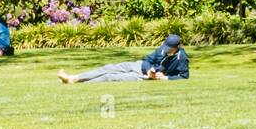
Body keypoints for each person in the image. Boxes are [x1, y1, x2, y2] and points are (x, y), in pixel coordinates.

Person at [58, 34, 189, 83]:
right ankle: (74, 77)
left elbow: (184, 76)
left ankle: (77, 81)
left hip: (145, 78)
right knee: (109, 68)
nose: (165, 50)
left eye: (169, 48)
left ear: (177, 46)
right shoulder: (163, 48)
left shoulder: (181, 58)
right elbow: (149, 59)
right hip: (141, 66)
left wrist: (165, 77)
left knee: (110, 77)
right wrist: (150, 69)